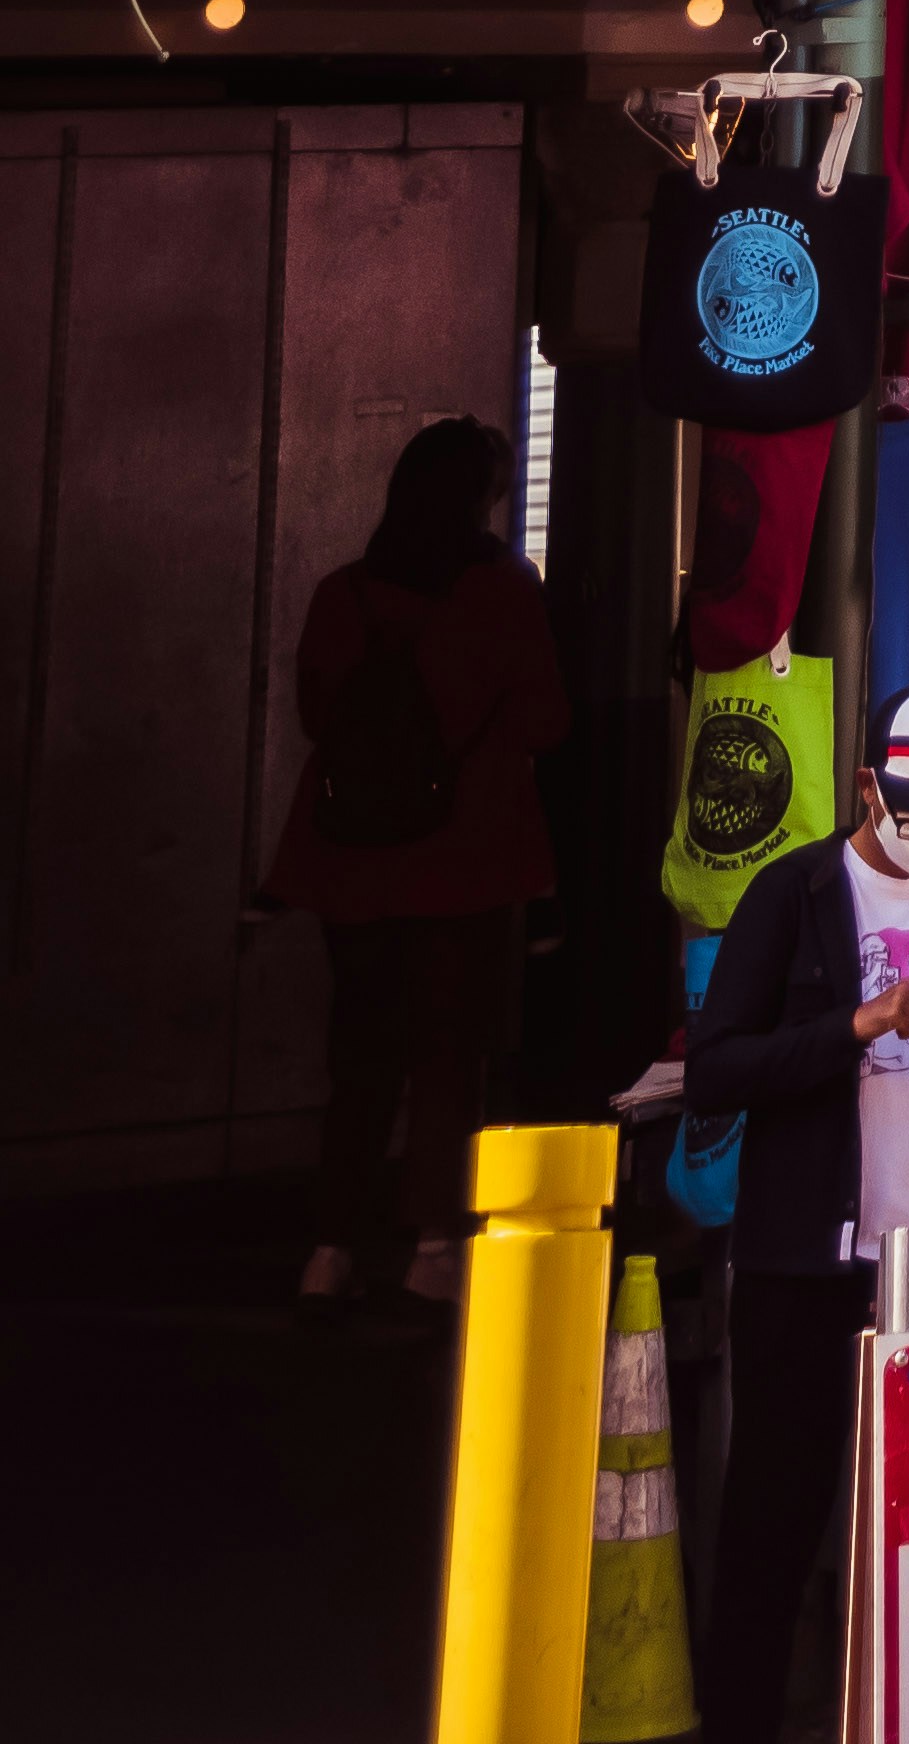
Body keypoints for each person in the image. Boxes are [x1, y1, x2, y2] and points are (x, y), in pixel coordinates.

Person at [685, 678, 909, 1744]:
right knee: (774, 1519)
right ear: (867, 789)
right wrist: (856, 1022)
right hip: (807, 1263)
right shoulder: (790, 894)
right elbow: (715, 1071)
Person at [266, 410, 569, 1309]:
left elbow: (319, 718)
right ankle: (433, 1247)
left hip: (352, 869)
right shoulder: (504, 592)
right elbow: (546, 722)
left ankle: (331, 1247)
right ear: (481, 499)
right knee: (449, 1059)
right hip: (465, 867)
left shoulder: (344, 593)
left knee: (359, 1059)